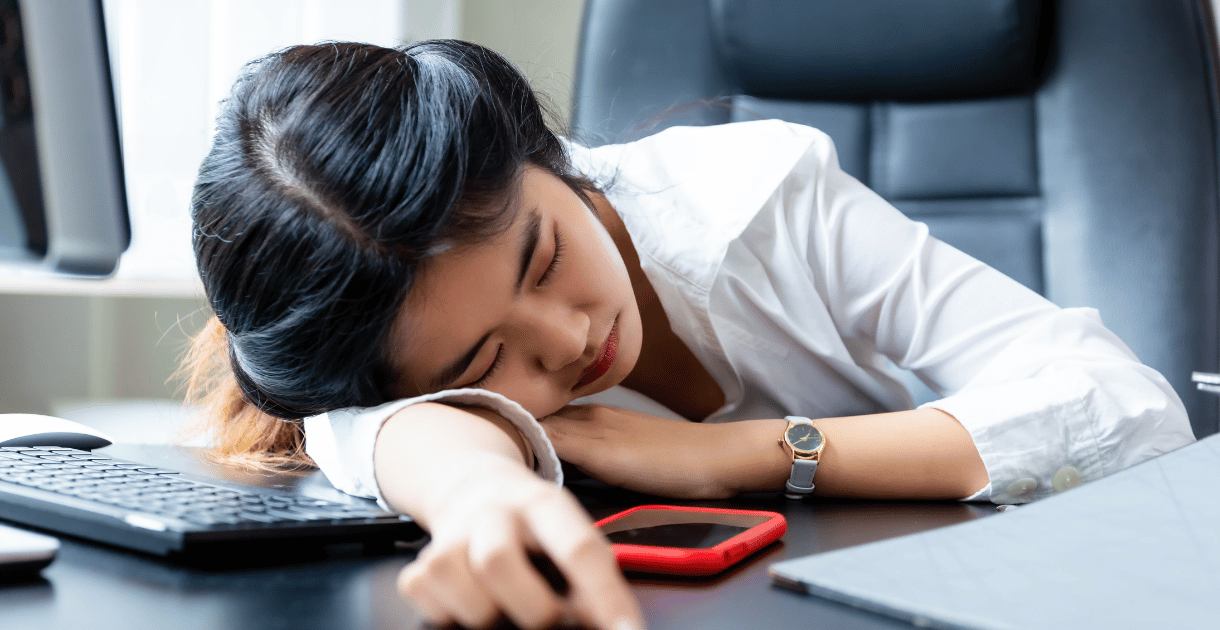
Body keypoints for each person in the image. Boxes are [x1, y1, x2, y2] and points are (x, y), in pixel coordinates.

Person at [183, 40, 1195, 630]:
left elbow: (1123, 407)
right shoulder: (391, 360)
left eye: (540, 257)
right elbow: (373, 429)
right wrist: (476, 492)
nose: (569, 336)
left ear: (546, 157)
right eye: (485, 363)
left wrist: (738, 453)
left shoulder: (758, 200)